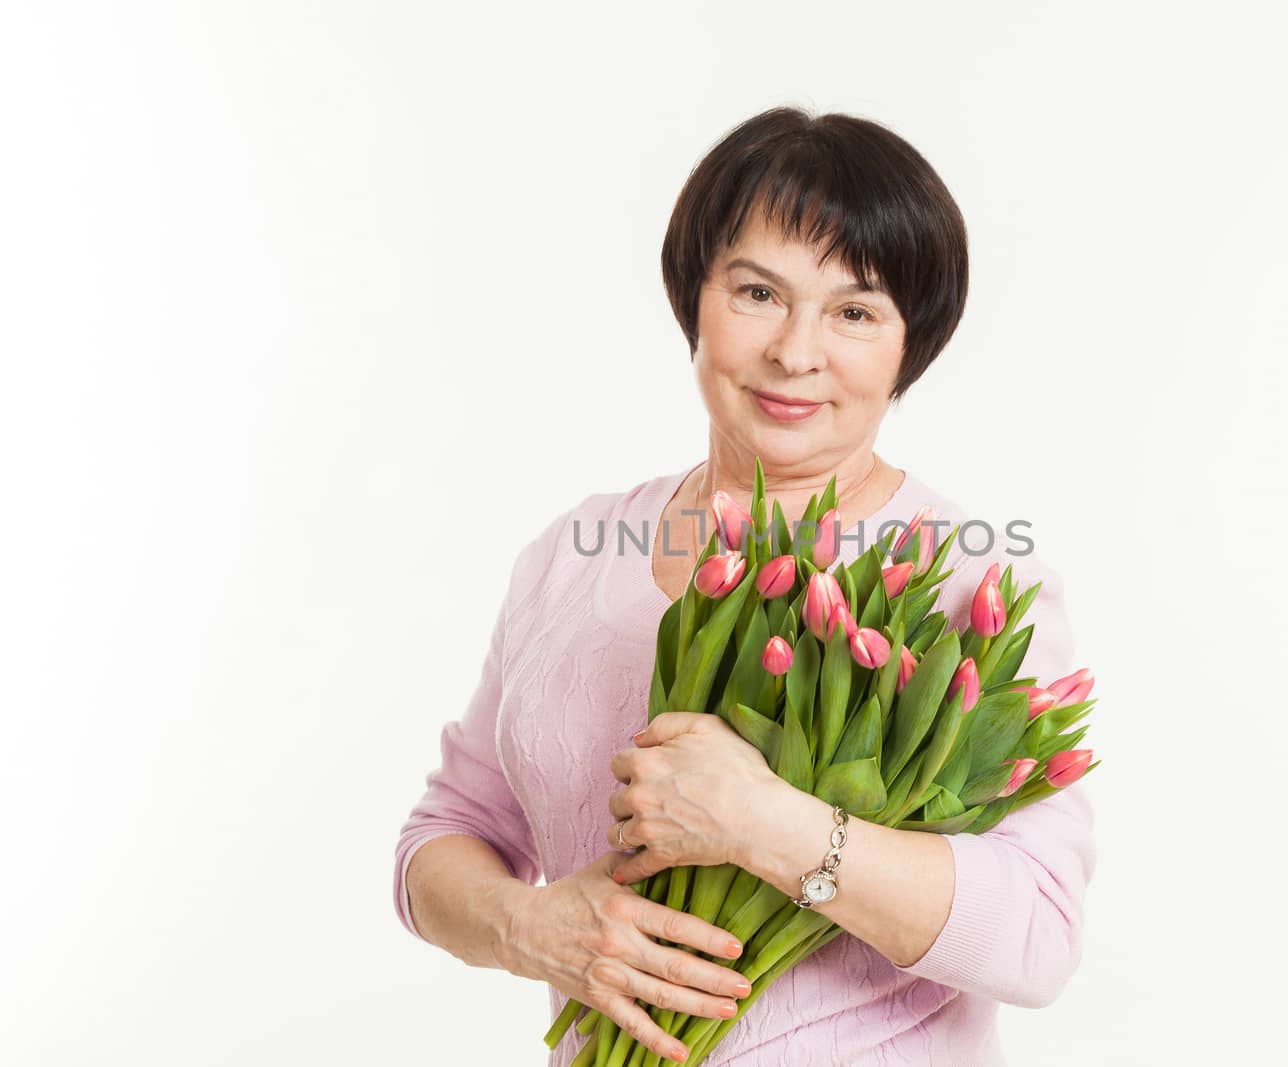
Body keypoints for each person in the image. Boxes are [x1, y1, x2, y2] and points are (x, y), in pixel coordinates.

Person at [392, 105, 1097, 1066]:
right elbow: (449, 834)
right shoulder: (576, 550)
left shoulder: (968, 579)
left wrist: (769, 825)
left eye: (855, 311)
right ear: (696, 295)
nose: (796, 352)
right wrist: (529, 924)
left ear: (908, 346)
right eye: (758, 292)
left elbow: (1038, 936)